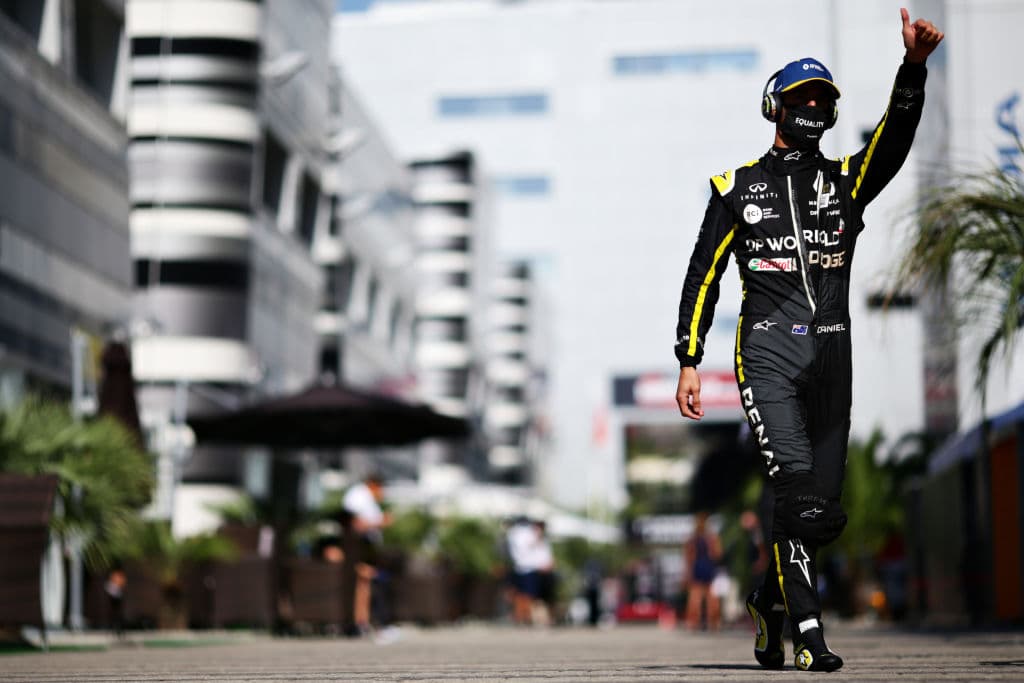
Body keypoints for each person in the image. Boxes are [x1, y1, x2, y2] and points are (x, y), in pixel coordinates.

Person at [672, 8, 943, 672]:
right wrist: (688, 357)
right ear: (776, 106)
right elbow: (702, 273)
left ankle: (769, 600)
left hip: (832, 357)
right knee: (795, 495)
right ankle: (811, 634)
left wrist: (912, 69)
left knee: (820, 511)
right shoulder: (735, 188)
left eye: (824, 99)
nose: (815, 107)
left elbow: (896, 138)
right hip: (766, 353)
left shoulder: (847, 181)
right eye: (803, 98)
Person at [341, 473, 391, 636]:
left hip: (364, 548)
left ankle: (362, 622)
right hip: (356, 548)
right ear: (374, 485)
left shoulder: (367, 499)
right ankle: (357, 622)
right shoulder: (357, 496)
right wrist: (380, 522)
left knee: (365, 585)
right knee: (361, 584)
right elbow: (354, 524)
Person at [682, 511, 722, 631]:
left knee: (698, 598)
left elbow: (688, 558)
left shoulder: (693, 539)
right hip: (707, 567)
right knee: (707, 598)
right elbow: (718, 554)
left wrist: (687, 573)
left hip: (700, 568)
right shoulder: (711, 538)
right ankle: (711, 622)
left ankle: (696, 622)